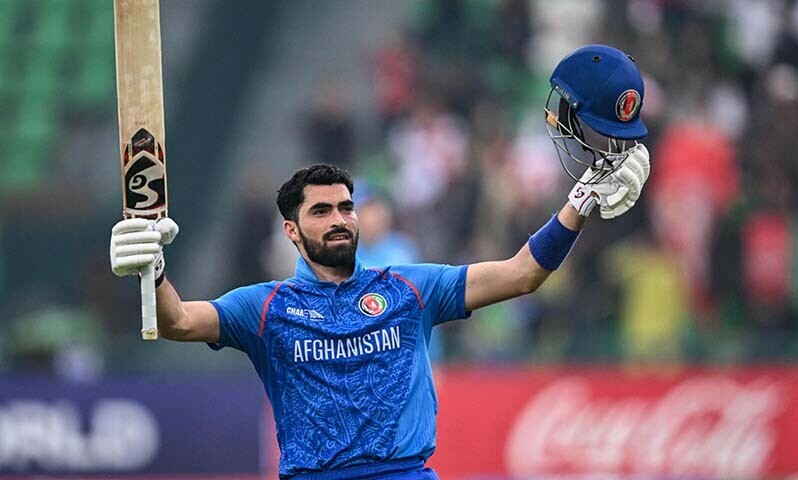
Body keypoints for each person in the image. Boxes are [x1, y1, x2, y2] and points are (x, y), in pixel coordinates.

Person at [109, 45, 650, 480]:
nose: (340, 218)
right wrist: (152, 269)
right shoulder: (266, 307)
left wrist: (578, 203)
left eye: (347, 206)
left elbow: (522, 273)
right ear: (291, 232)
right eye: (321, 211)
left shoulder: (409, 288)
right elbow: (176, 320)